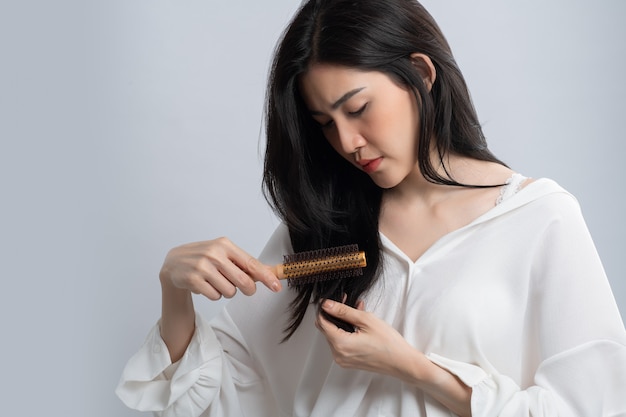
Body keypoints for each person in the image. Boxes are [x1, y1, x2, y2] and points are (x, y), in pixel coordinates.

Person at [116, 0, 626, 415]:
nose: (347, 141)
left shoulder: (538, 220)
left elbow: (590, 405)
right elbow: (226, 387)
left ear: (421, 74)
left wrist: (413, 368)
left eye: (358, 108)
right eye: (324, 122)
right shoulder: (324, 228)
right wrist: (173, 291)